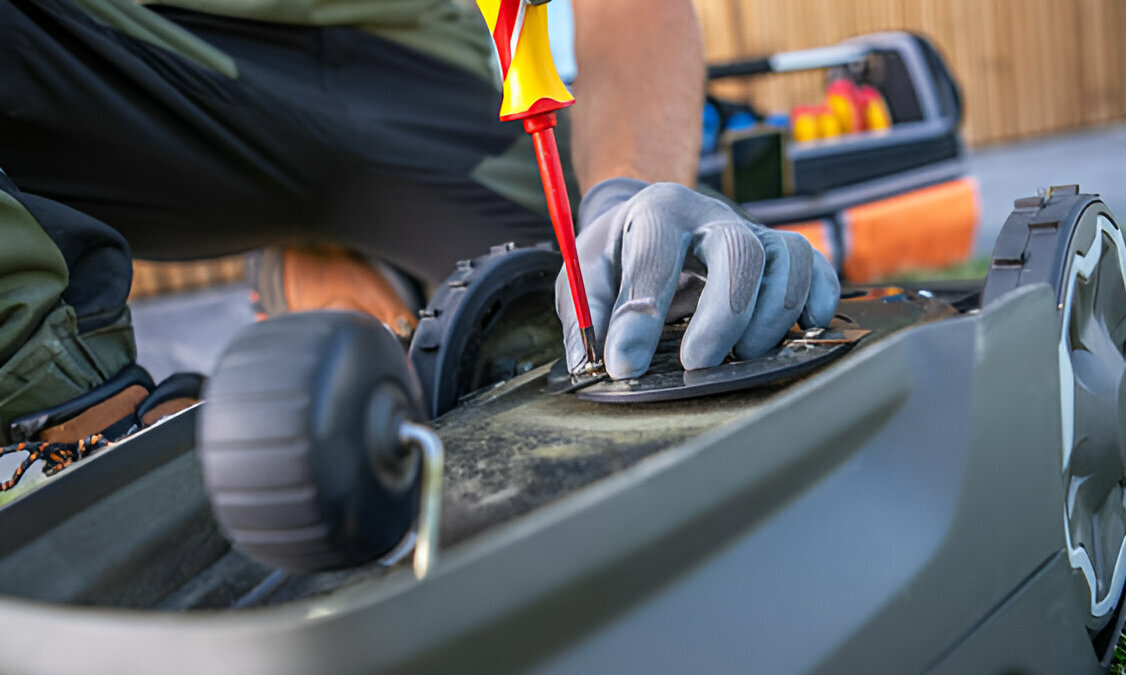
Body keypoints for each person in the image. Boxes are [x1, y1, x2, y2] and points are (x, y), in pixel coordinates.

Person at [0, 0, 838, 450]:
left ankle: (360, 276)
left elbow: (630, 7)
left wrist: (627, 192)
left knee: (582, 314)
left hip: (394, 64)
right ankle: (73, 423)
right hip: (96, 54)